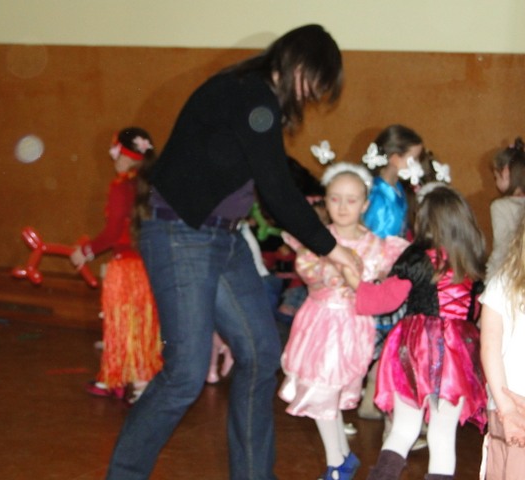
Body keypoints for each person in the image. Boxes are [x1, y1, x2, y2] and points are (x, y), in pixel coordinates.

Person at [104, 25, 361, 480]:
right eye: (312, 83)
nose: (309, 96)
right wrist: (334, 250)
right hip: (180, 234)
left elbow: (275, 176)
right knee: (184, 375)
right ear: (295, 63)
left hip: (222, 237)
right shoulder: (250, 94)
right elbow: (277, 191)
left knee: (261, 354)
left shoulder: (254, 98)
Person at [343, 184, 487, 480]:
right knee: (443, 434)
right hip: (456, 356)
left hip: (416, 349)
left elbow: (383, 301)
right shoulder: (472, 263)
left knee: (403, 428)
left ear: (425, 222)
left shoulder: (417, 258)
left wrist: (355, 282)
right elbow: (475, 313)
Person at [278, 163, 408, 480]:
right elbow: (309, 271)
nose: (342, 207)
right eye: (335, 199)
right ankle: (339, 461)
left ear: (364, 204)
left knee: (327, 391)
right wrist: (331, 270)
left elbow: (374, 282)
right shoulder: (317, 239)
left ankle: (339, 462)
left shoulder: (376, 245)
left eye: (351, 200)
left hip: (352, 326)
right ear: (325, 201)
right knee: (322, 390)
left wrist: (353, 276)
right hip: (317, 322)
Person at [71, 127, 163, 404]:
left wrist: (86, 251)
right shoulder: (155, 184)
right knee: (142, 324)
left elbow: (112, 233)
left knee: (123, 324)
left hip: (126, 269)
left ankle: (133, 381)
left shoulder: (122, 186)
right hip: (151, 266)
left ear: (124, 155)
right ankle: (127, 379)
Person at [358, 124, 424, 421]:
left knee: (391, 339)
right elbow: (373, 237)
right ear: (396, 157)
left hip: (395, 271)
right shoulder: (378, 193)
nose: (417, 164)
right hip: (378, 273)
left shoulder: (398, 190)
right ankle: (368, 393)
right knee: (376, 338)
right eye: (413, 158)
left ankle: (373, 394)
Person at [479, 210, 525, 478]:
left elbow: (490, 349)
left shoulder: (501, 283)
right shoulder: (502, 284)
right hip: (509, 411)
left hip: (505, 408)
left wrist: (506, 408)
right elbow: (490, 349)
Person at [485, 137, 525, 279]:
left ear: (506, 173)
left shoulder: (499, 207)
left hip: (510, 273)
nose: (495, 182)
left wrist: (490, 277)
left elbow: (501, 247)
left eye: (496, 177)